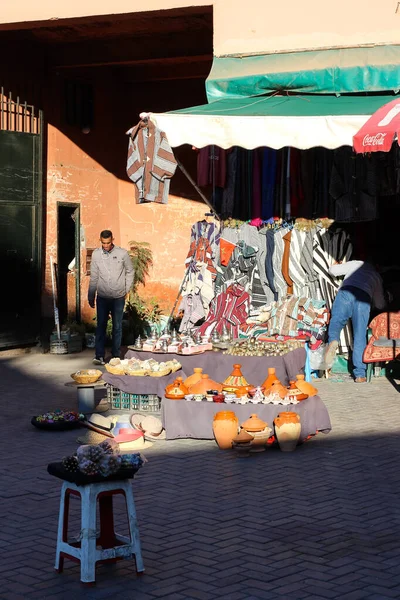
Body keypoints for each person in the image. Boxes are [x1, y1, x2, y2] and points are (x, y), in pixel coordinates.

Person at [325, 260, 386, 383]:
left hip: (346, 293)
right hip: (363, 298)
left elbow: (333, 271)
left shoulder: (355, 263)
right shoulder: (376, 277)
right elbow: (380, 305)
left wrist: (336, 265)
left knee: (335, 324)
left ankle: (332, 345)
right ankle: (360, 374)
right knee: (359, 335)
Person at [88, 230, 134, 365]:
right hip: (102, 297)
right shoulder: (96, 255)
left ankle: (115, 355)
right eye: (103, 243)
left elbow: (130, 271)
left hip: (118, 297)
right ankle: (99, 355)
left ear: (112, 240)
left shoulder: (122, 254)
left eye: (108, 243)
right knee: (101, 326)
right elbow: (94, 276)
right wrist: (91, 295)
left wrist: (126, 288)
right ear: (100, 240)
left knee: (117, 327)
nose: (106, 246)